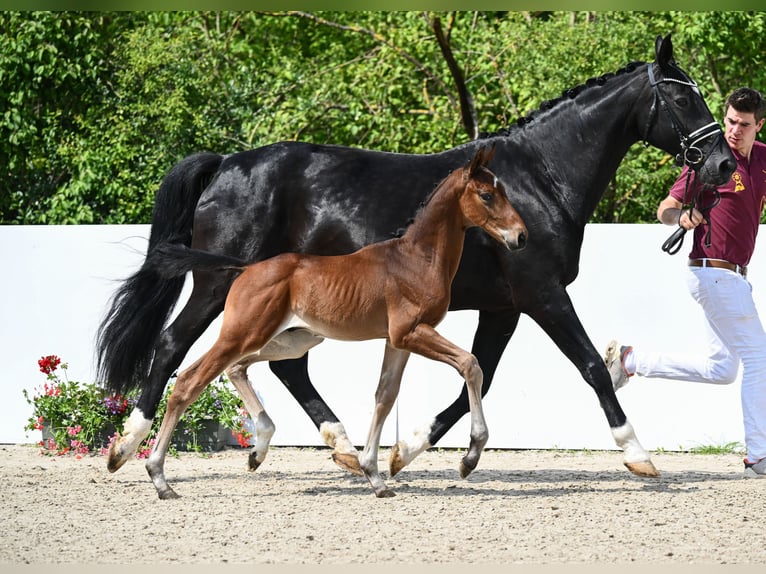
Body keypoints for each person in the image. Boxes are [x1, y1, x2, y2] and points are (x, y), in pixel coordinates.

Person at [605, 87, 766, 478]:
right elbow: (666, 208)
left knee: (722, 370)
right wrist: (681, 218)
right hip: (712, 272)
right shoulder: (710, 157)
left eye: (744, 125)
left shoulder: (763, 158)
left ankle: (631, 360)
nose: (733, 130)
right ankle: (758, 456)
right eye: (729, 120)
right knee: (760, 358)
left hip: (733, 279)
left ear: (758, 126)